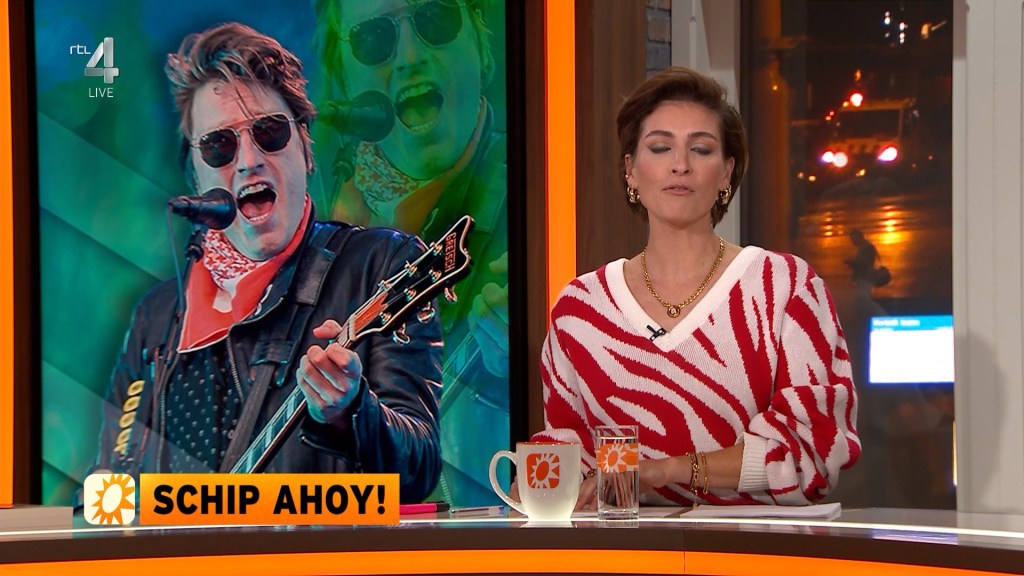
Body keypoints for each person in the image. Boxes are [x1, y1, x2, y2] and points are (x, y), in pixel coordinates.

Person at [87, 22, 443, 503]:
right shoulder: (158, 316)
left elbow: (418, 469)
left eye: (269, 132)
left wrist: (352, 411)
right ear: (195, 174)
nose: (248, 160)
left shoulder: (381, 267)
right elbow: (104, 494)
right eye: (219, 145)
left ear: (305, 149)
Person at [531, 67, 860, 507]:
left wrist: (669, 470)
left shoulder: (784, 288)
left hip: (752, 545)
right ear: (630, 170)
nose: (680, 164)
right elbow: (567, 448)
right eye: (660, 147)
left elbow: (812, 451)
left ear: (726, 173)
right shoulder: (580, 309)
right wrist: (542, 488)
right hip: (622, 546)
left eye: (701, 149)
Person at [314, 0, 508, 505]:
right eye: (374, 37)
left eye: (435, 18)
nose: (409, 56)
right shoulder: (317, 208)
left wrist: (520, 369)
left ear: (482, 50)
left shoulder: (542, 197)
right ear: (343, 80)